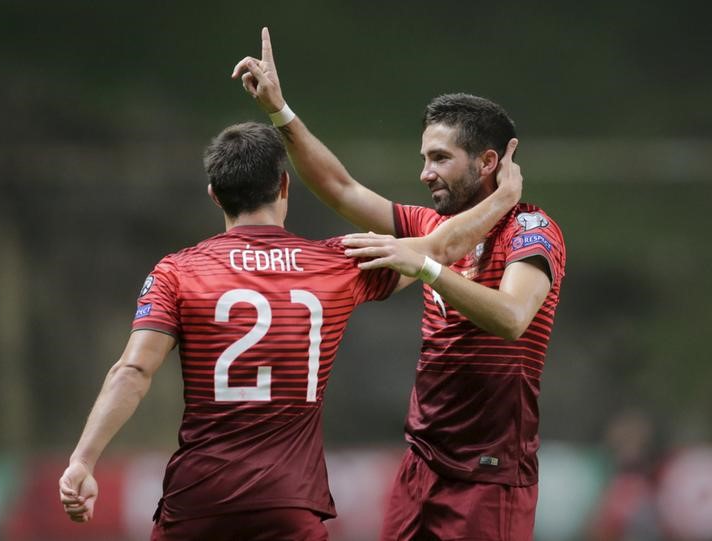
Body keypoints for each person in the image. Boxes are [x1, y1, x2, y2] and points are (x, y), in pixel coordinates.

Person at [58, 120, 521, 540]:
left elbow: (132, 371)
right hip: (289, 502)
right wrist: (501, 199)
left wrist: (83, 459)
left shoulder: (177, 272)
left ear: (214, 195)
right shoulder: (337, 264)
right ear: (284, 186)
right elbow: (441, 249)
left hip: (199, 498)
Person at [233, 28, 566, 541]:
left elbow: (512, 318)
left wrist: (426, 269)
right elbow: (341, 188)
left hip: (489, 474)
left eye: (439, 158)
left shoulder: (531, 230)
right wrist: (281, 112)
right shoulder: (431, 229)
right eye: (424, 158)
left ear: (489, 163)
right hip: (421, 464)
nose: (424, 173)